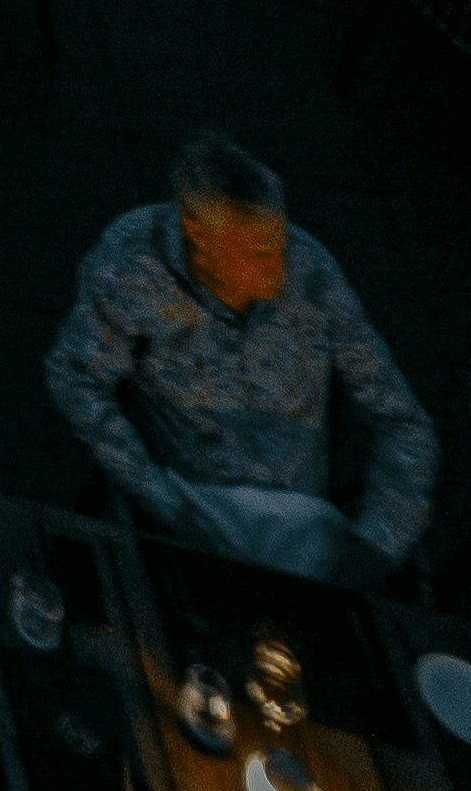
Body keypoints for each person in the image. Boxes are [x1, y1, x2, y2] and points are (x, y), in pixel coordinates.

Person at [46, 130, 436, 582]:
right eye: (258, 251)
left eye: (280, 240)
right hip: (192, 504)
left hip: (301, 526)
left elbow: (404, 422)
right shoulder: (135, 260)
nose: (281, 265)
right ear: (199, 236)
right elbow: (75, 376)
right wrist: (154, 493)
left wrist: (378, 543)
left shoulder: (311, 273)